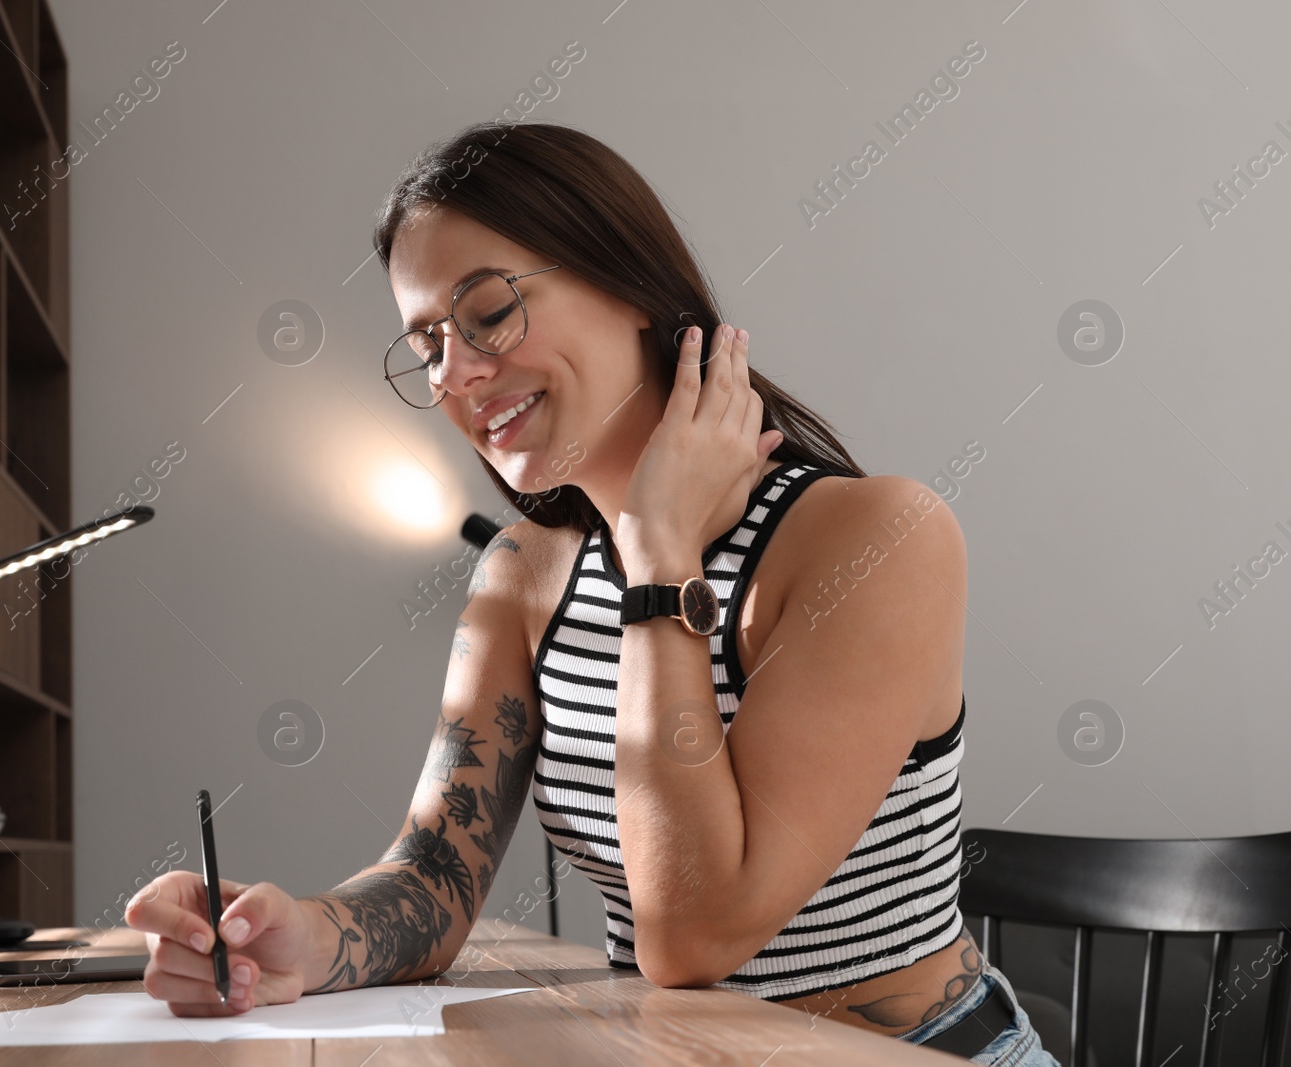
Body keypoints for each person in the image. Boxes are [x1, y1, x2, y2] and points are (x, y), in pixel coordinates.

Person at [124, 121, 1060, 1065]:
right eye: (426, 345)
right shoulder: (526, 573)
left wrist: (659, 560)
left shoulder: (877, 539)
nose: (456, 373)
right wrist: (296, 939)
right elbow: (435, 876)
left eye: (486, 312)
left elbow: (694, 935)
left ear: (627, 284)